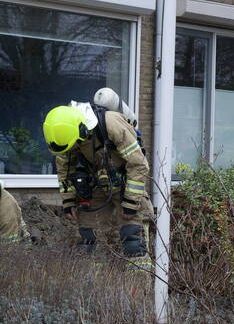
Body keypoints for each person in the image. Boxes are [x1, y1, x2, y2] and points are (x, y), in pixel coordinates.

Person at [42, 103, 153, 261]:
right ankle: (95, 277)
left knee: (133, 239)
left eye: (74, 146)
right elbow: (64, 171)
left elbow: (138, 164)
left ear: (82, 131)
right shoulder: (64, 138)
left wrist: (131, 202)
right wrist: (68, 201)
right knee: (89, 240)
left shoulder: (111, 125)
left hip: (125, 184)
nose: (70, 151)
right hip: (96, 186)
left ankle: (139, 276)